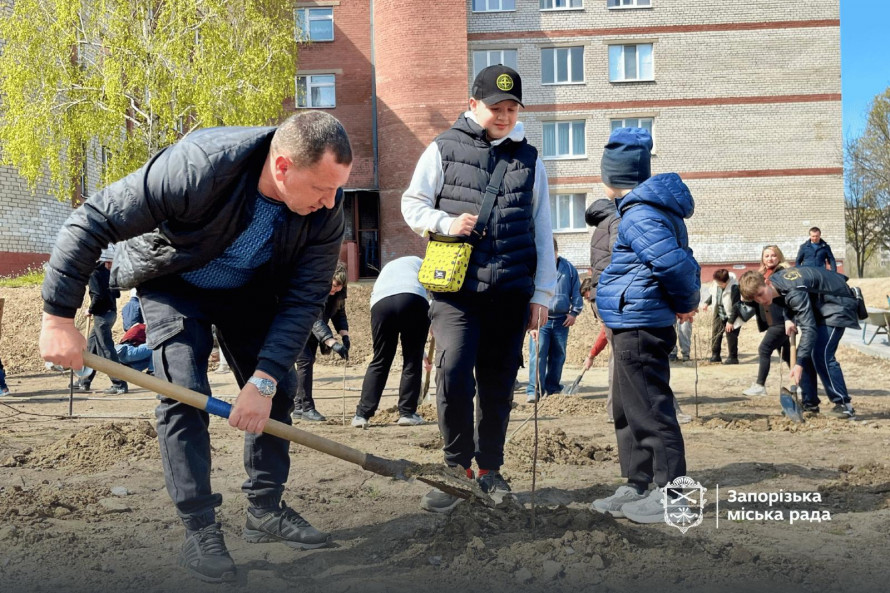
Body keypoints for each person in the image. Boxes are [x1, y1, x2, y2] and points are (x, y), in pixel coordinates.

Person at [39, 111, 353, 583]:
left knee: (279, 391)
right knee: (183, 391)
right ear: (283, 166)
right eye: (321, 189)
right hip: (174, 280)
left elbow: (305, 296)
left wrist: (263, 380)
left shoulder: (327, 209)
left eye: (336, 189)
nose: (331, 203)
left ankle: (264, 509)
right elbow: (91, 221)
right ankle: (200, 529)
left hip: (249, 287)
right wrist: (58, 318)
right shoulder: (201, 165)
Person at [401, 65, 557, 513]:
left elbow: (541, 226)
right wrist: (446, 223)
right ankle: (456, 469)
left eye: (511, 108)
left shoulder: (529, 160)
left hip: (510, 292)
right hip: (457, 293)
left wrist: (542, 294)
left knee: (498, 383)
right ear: (473, 105)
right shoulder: (443, 148)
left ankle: (489, 469)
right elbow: (412, 204)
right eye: (495, 107)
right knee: (451, 373)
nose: (504, 116)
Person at [589, 127, 701, 524]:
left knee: (651, 409)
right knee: (627, 408)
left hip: (641, 321)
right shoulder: (639, 211)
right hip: (628, 320)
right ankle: (638, 482)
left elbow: (675, 264)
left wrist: (687, 303)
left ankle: (672, 493)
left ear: (613, 177)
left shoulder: (640, 214)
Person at [740, 267, 859, 419]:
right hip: (822, 306)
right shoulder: (777, 283)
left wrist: (799, 363)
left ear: (767, 282)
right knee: (808, 353)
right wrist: (788, 317)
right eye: (756, 299)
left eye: (761, 294)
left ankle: (844, 405)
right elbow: (786, 299)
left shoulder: (794, 291)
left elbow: (809, 328)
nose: (761, 300)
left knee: (821, 354)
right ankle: (810, 403)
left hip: (839, 303)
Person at [352, 256, 431, 428]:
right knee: (412, 359)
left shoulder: (388, 268)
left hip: (381, 304)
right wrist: (421, 350)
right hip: (413, 299)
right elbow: (433, 299)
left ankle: (362, 415)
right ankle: (407, 413)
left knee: (381, 359)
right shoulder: (422, 263)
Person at [526, 238, 583, 402]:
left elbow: (577, 294)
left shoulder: (569, 269)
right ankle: (534, 390)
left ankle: (552, 388)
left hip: (561, 321)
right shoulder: (536, 269)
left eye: (553, 254)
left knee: (558, 355)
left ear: (557, 252)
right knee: (538, 354)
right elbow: (529, 293)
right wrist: (531, 322)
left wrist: (574, 313)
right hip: (540, 321)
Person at [293, 261, 350, 422]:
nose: (336, 290)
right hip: (297, 325)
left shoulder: (338, 292)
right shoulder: (313, 289)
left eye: (339, 287)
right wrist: (331, 342)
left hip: (313, 331)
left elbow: (339, 313)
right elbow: (314, 318)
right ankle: (306, 408)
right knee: (305, 361)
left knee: (307, 362)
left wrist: (345, 335)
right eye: (333, 286)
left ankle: (298, 406)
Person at [75, 245, 129, 395]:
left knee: (106, 350)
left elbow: (98, 296)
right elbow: (116, 294)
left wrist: (90, 309)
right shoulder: (107, 273)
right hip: (110, 314)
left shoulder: (93, 274)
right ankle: (84, 381)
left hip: (102, 316)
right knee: (91, 347)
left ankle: (119, 384)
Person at [742, 245, 791, 396]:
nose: (770, 258)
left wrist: (789, 318)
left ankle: (760, 385)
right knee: (788, 355)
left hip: (781, 320)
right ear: (762, 258)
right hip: (772, 321)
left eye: (773, 255)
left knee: (764, 349)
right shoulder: (762, 274)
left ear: (779, 257)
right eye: (767, 256)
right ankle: (804, 382)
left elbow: (789, 296)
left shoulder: (782, 273)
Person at [701, 269, 742, 365]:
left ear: (726, 281)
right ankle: (715, 355)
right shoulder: (716, 284)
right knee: (716, 333)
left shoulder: (734, 287)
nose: (718, 284)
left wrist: (731, 321)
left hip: (732, 314)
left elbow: (736, 305)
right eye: (717, 282)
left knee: (731, 335)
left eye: (720, 283)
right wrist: (707, 303)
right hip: (719, 312)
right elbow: (714, 295)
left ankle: (733, 357)